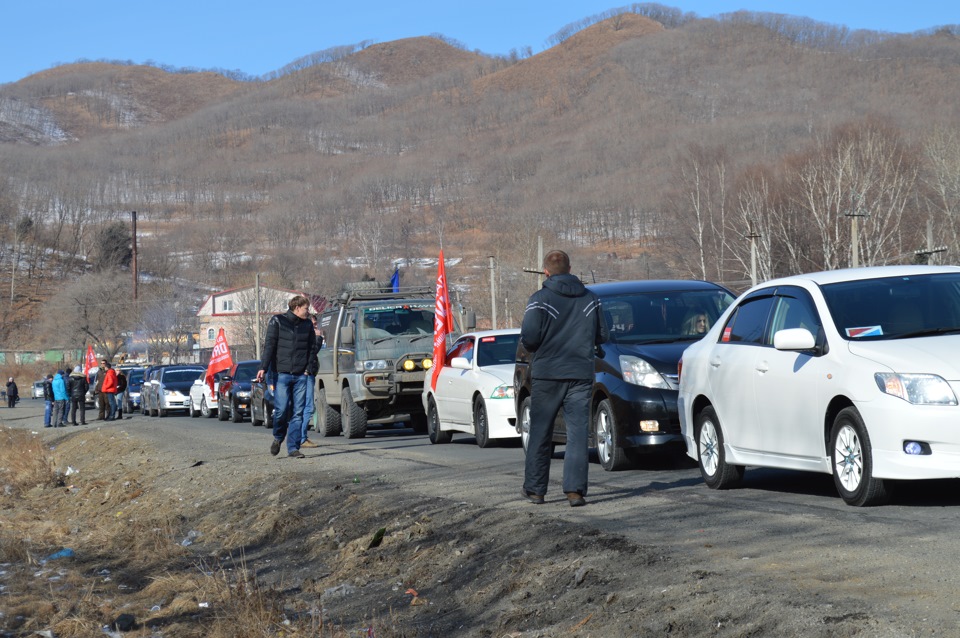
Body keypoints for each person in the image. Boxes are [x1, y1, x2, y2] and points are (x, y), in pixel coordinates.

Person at [520, 250, 608, 508]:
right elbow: (602, 335)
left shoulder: (539, 299)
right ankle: (575, 492)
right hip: (580, 373)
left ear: (545, 272)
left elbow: (530, 338)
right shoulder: (591, 299)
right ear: (570, 268)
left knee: (540, 432)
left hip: (547, 374)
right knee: (578, 434)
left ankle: (536, 490)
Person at [255, 295, 317, 459]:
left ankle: (293, 448)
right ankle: (278, 437)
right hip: (281, 374)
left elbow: (312, 348)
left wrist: (308, 369)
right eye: (306, 309)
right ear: (297, 308)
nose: (308, 312)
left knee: (298, 413)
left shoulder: (307, 324)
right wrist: (263, 368)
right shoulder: (277, 321)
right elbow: (269, 346)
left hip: (301, 375)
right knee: (281, 411)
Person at [299, 314, 324, 449]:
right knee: (308, 407)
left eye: (316, 324)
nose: (316, 327)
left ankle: (300, 436)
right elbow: (312, 352)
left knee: (304, 407)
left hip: (308, 373)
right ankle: (301, 438)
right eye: (314, 325)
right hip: (306, 374)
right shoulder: (308, 337)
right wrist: (318, 338)